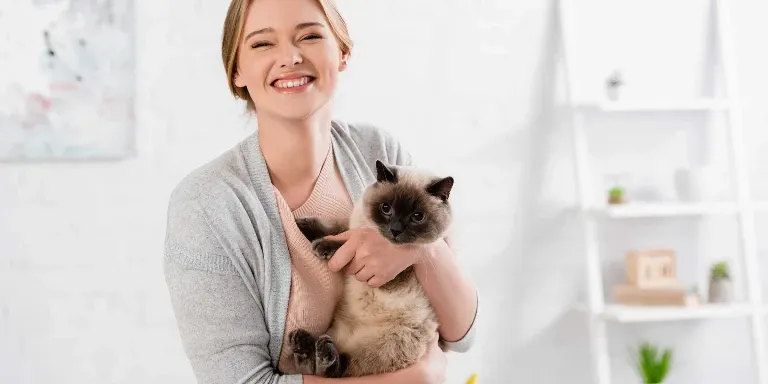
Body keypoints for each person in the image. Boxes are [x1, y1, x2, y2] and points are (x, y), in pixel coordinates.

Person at [162, 0, 480, 383]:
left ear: (343, 52)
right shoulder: (206, 206)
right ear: (236, 72)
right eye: (263, 44)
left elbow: (461, 333)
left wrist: (422, 248)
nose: (290, 57)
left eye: (310, 35)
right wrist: (414, 379)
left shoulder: (378, 154)